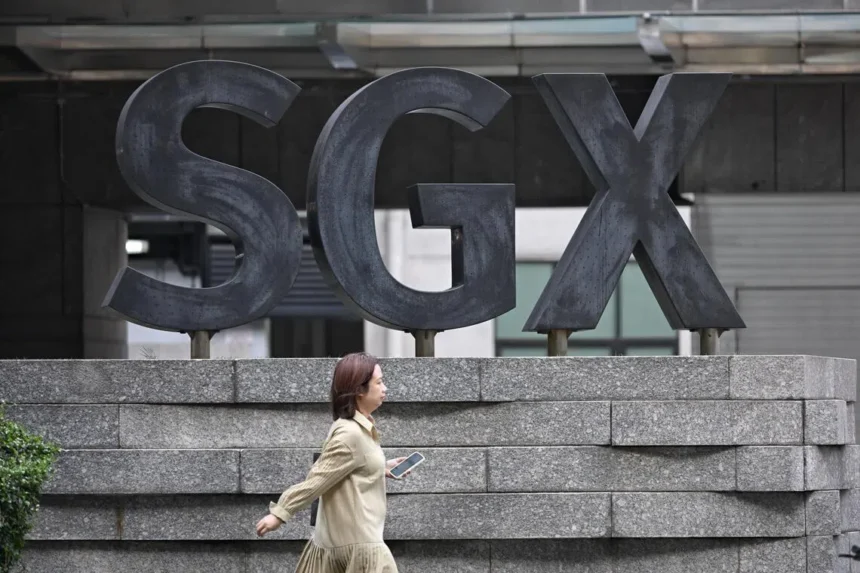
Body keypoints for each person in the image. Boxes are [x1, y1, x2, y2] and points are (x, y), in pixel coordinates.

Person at [255, 352, 409, 573]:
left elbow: (347, 468)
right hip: (359, 544)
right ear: (359, 390)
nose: (385, 388)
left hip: (354, 541)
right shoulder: (351, 434)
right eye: (379, 382)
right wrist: (280, 513)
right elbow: (318, 479)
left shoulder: (359, 429)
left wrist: (380, 468)